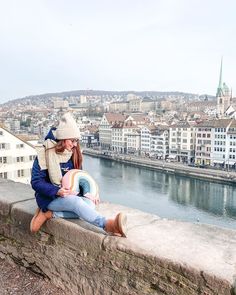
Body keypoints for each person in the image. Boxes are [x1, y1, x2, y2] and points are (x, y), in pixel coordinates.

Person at [30, 112, 127, 237]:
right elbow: (36, 182)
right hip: (49, 198)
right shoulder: (44, 153)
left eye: (76, 141)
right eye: (72, 140)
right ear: (63, 138)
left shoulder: (74, 153)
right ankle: (108, 225)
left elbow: (79, 178)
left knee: (89, 206)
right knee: (77, 204)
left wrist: (88, 194)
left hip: (70, 196)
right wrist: (56, 191)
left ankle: (49, 214)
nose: (75, 144)